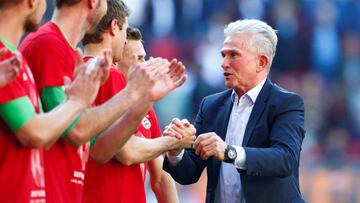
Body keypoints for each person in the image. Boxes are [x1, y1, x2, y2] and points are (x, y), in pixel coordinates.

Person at [19, 0, 187, 202]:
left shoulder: (69, 56)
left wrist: (143, 98)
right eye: (139, 58)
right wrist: (171, 142)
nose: (125, 43)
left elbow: (99, 150)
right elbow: (80, 133)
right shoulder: (53, 45)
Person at [163, 19, 306, 203]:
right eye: (223, 55)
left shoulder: (286, 103)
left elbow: (285, 158)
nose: (224, 63)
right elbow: (189, 174)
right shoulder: (211, 105)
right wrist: (176, 151)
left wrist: (230, 152)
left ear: (261, 62)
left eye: (233, 55)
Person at [81, 2, 193, 201]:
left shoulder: (142, 104)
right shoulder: (107, 75)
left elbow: (160, 177)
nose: (145, 65)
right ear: (115, 60)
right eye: (138, 59)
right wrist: (173, 142)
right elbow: (128, 152)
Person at [0, 0, 106, 202]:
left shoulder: (15, 62)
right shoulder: (7, 56)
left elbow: (47, 137)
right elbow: (36, 133)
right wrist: (77, 101)